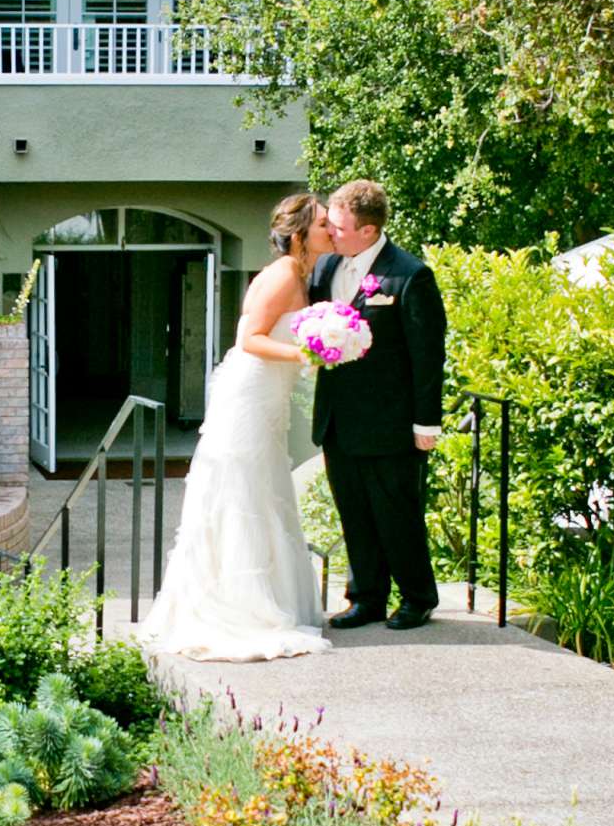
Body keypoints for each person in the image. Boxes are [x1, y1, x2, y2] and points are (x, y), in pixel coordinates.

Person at [142, 192, 333, 661]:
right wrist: (308, 353)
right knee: (241, 493)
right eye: (324, 223)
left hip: (270, 399)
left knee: (265, 489)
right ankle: (238, 609)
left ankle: (269, 598)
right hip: (249, 396)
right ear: (300, 233)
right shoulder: (283, 273)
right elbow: (248, 339)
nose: (332, 229)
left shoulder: (304, 273)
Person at [311, 179, 447, 632]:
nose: (331, 232)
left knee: (397, 513)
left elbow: (428, 356)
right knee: (354, 511)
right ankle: (366, 596)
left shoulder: (409, 275)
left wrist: (426, 422)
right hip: (338, 419)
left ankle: (417, 597)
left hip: (389, 422)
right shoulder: (326, 268)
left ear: (368, 231)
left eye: (339, 226)